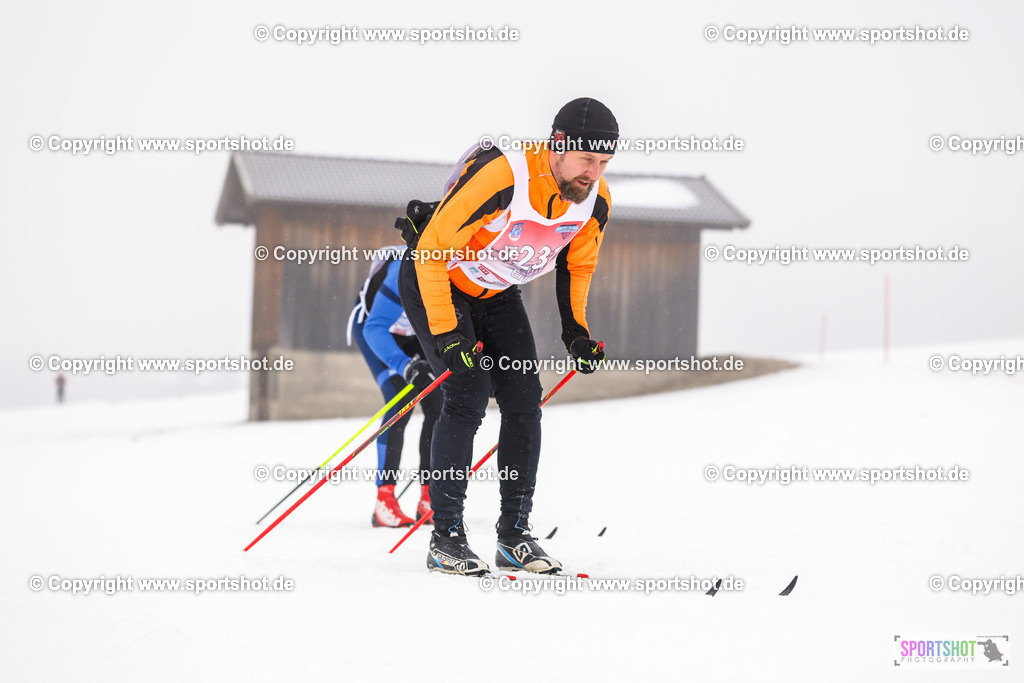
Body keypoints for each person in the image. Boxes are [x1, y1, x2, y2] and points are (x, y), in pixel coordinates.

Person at [398, 97, 616, 575]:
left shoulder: (594, 201)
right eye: (586, 160)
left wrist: (576, 333)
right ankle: (446, 539)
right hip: (437, 279)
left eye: (603, 163)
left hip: (495, 291)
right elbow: (431, 250)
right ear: (557, 145)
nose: (593, 173)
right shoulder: (507, 177)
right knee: (467, 393)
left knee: (523, 399)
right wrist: (448, 332)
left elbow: (577, 267)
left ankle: (514, 534)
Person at [348, 246, 441, 527]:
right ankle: (384, 501)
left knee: (438, 405)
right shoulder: (404, 269)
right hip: (376, 329)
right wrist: (405, 366)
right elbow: (373, 328)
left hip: (414, 333)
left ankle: (429, 497)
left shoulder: (456, 269)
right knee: (401, 399)